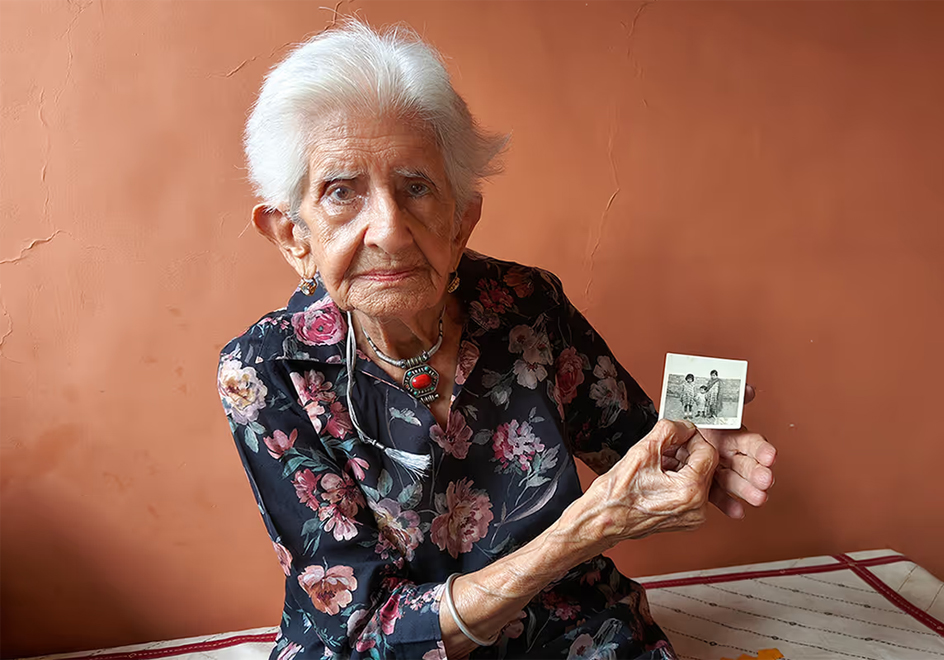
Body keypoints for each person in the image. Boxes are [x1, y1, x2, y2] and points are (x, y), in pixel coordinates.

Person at [217, 21, 776, 660]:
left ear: (462, 219)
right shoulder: (265, 373)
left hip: (570, 635)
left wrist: (708, 435)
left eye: (416, 187)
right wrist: (585, 529)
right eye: (342, 193)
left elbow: (641, 443)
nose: (390, 230)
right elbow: (367, 633)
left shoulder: (526, 304)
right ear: (292, 236)